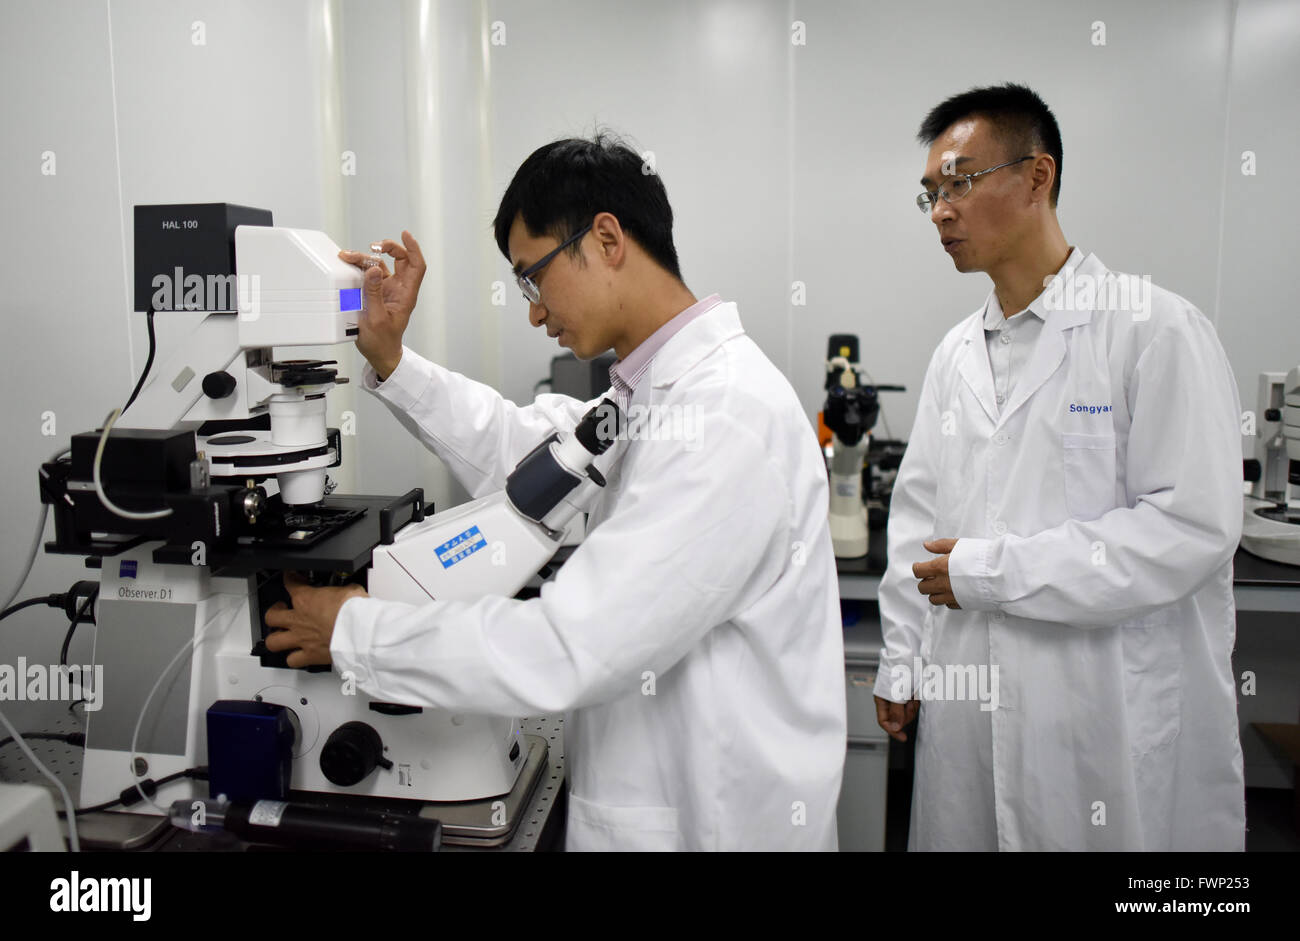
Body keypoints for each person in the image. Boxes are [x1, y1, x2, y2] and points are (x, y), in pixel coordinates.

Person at [264, 134, 847, 851]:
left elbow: (573, 643)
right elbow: (522, 451)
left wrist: (355, 631)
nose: (534, 313)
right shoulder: (651, 392)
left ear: (605, 238)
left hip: (715, 823)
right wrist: (390, 356)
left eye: (532, 278)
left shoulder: (724, 415)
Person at [872, 84, 1245, 850]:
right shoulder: (955, 354)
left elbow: (1192, 528)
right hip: (971, 710)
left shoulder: (1153, 329)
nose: (941, 210)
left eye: (960, 182)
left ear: (1037, 177)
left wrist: (998, 572)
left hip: (1103, 722)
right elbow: (920, 518)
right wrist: (902, 656)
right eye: (929, 195)